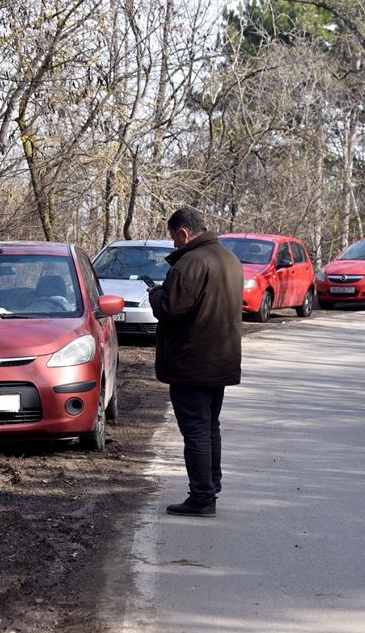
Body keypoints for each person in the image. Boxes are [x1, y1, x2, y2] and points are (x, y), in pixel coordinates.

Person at [148, 207, 243, 518]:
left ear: (184, 233)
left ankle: (202, 497)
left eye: (174, 238)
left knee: (197, 431)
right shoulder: (229, 259)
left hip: (192, 361)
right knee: (210, 427)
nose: (175, 245)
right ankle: (210, 486)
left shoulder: (191, 262)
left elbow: (170, 308)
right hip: (220, 359)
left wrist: (155, 293)